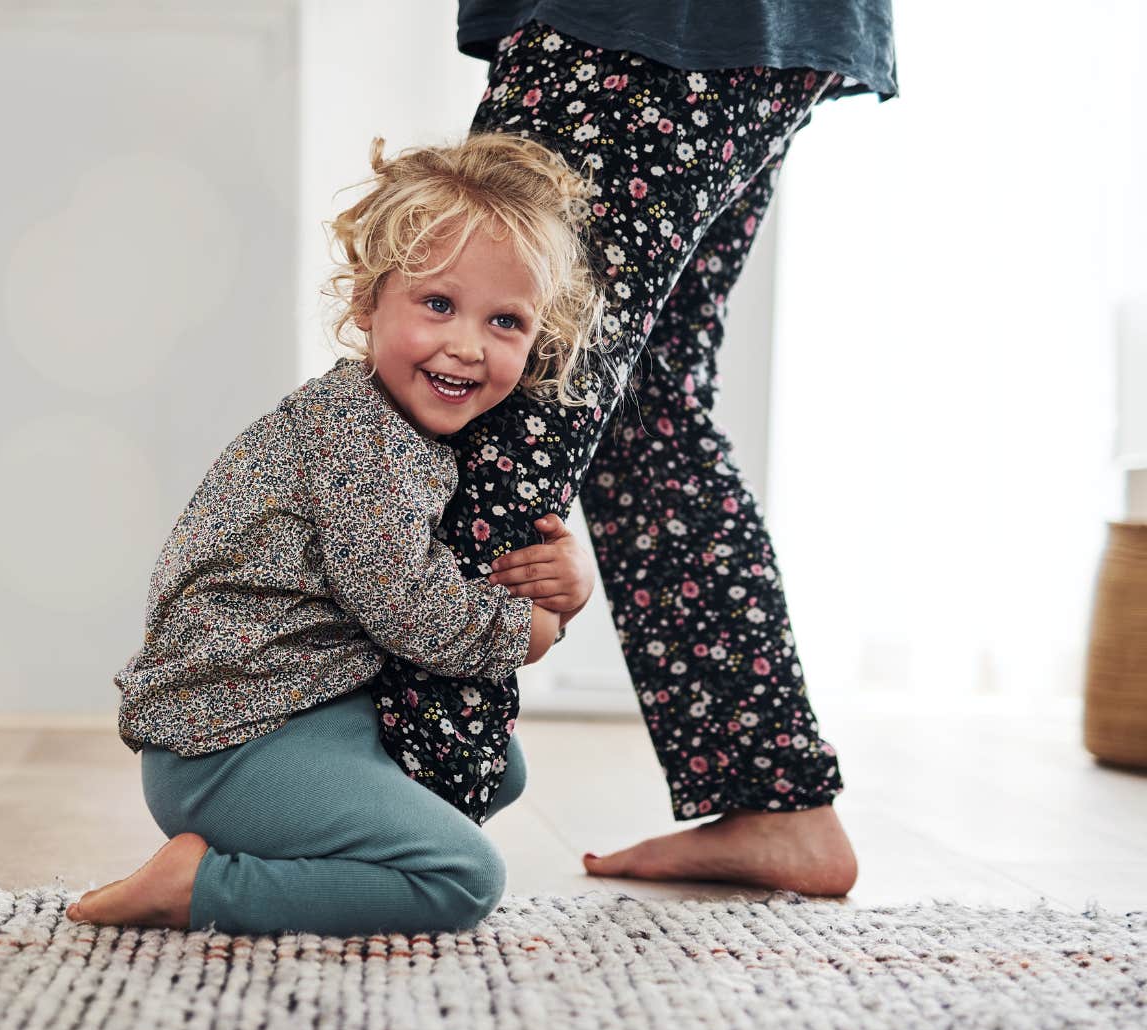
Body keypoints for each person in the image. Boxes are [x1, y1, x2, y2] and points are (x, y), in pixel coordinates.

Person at [372, 4, 897, 896]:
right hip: (750, 31)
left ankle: (399, 813)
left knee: (512, 378)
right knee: (645, 402)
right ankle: (777, 800)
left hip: (644, 22)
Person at [65, 133, 603, 935]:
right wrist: (530, 628)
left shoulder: (409, 432)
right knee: (462, 877)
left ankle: (314, 856)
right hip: (232, 740)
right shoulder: (358, 435)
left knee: (493, 768)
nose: (467, 345)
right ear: (365, 304)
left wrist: (569, 579)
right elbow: (409, 609)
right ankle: (201, 884)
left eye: (506, 322)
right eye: (438, 305)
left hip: (314, 708)